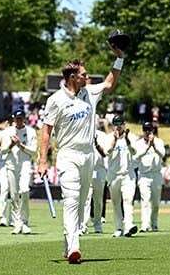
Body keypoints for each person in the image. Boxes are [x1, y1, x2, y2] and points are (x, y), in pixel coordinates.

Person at [37, 45, 124, 264]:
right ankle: (75, 247)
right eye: (84, 75)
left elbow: (110, 83)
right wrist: (42, 160)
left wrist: (120, 58)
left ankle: (68, 244)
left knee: (82, 199)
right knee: (72, 200)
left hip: (89, 156)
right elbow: (46, 132)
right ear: (73, 77)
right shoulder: (55, 100)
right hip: (67, 155)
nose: (88, 77)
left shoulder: (90, 92)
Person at [0, 110, 37, 234]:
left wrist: (20, 145)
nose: (19, 121)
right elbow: (3, 151)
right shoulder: (8, 132)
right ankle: (17, 223)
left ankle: (25, 222)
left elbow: (33, 151)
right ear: (13, 119)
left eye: (21, 118)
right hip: (11, 165)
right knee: (14, 195)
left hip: (25, 164)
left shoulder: (30, 132)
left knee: (24, 190)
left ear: (24, 119)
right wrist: (11, 145)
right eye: (17, 118)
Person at [104, 115, 138, 238]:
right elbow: (107, 151)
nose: (118, 126)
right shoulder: (108, 138)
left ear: (124, 125)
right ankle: (118, 227)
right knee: (116, 202)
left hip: (128, 174)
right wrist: (115, 139)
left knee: (128, 200)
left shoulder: (132, 137)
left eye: (120, 124)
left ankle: (128, 225)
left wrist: (127, 140)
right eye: (116, 124)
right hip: (113, 175)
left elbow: (134, 151)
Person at [134, 121, 165, 232]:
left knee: (156, 202)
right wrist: (147, 147)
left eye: (149, 130)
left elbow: (163, 155)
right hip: (144, 175)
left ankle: (154, 223)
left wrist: (154, 147)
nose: (147, 132)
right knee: (145, 200)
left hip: (156, 174)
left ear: (153, 131)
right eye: (145, 130)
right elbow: (136, 157)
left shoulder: (159, 141)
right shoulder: (138, 143)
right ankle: (145, 224)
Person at [81, 118, 108, 235]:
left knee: (98, 199)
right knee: (86, 198)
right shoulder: (82, 134)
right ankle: (83, 225)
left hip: (99, 169)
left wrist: (96, 143)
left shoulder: (102, 135)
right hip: (87, 169)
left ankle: (97, 224)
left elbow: (105, 153)